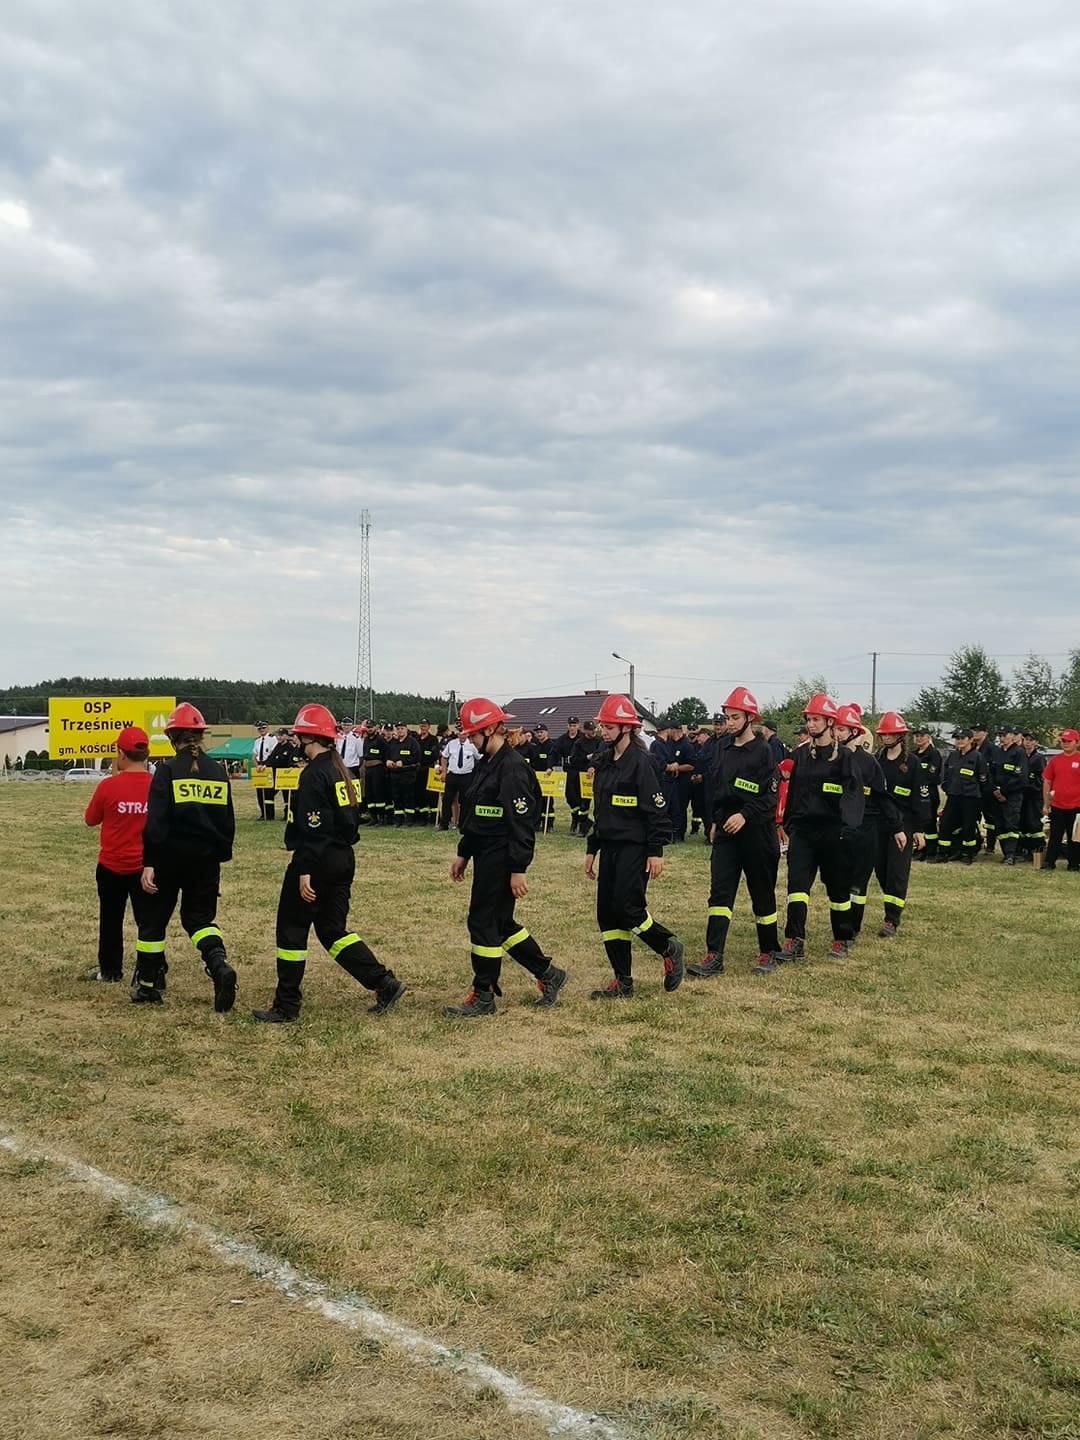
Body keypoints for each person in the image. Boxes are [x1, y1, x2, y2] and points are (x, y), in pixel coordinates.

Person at [252, 704, 405, 1023]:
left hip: (316, 862)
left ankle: (286, 1005)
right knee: (333, 931)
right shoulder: (341, 771)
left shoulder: (314, 775)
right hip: (342, 859)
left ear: (310, 738)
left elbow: (313, 828)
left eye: (299, 737)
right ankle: (383, 982)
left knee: (291, 931)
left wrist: (305, 869)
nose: (296, 743)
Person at [444, 698, 565, 1017]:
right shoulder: (487, 763)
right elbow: (476, 814)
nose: (470, 741)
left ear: (489, 730)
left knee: (483, 922)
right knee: (500, 923)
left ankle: (484, 995)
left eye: (473, 735)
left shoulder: (512, 768)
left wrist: (518, 868)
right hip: (485, 854)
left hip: (502, 857)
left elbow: (522, 824)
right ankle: (549, 974)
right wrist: (464, 853)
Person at [134, 703, 236, 1010]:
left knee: (153, 922)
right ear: (200, 737)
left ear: (172, 737)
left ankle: (148, 986)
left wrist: (149, 861)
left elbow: (156, 821)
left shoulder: (166, 771)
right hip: (206, 861)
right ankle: (219, 965)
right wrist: (219, 857)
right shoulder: (218, 772)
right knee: (200, 920)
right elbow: (227, 821)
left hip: (169, 859)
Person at [584, 694, 685, 998]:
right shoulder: (604, 763)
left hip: (635, 848)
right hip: (609, 846)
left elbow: (657, 811)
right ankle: (623, 981)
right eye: (603, 726)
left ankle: (668, 947)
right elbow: (601, 810)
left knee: (628, 908)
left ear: (626, 728)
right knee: (608, 914)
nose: (604, 732)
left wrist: (656, 851)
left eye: (609, 727)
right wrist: (592, 848)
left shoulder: (643, 763)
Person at [687, 687, 781, 979]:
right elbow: (718, 789)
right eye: (727, 717)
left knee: (761, 893)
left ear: (750, 718)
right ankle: (714, 955)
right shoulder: (722, 748)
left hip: (757, 833)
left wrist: (745, 815)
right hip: (727, 833)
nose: (729, 723)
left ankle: (768, 951)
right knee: (720, 893)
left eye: (735, 717)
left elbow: (770, 797)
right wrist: (717, 820)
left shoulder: (764, 751)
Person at [779, 694, 861, 961]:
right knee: (797, 887)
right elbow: (792, 791)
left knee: (838, 889)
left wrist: (848, 828)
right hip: (803, 832)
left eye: (816, 719)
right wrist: (788, 823)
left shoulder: (844, 757)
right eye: (809, 719)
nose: (811, 724)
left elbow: (853, 794)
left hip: (834, 833)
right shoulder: (801, 755)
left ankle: (842, 938)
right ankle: (794, 940)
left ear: (830, 722)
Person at [82, 726, 152, 982]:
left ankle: (110, 970)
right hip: (146, 867)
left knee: (110, 919)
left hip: (111, 866)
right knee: (149, 922)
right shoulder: (157, 786)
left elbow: (90, 819)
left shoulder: (108, 786)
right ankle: (152, 970)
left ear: (121, 754)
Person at [833, 703, 901, 943]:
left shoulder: (868, 763)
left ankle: (853, 927)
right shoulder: (832, 759)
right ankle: (842, 925)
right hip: (839, 828)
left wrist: (897, 828)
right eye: (835, 729)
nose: (836, 734)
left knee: (858, 882)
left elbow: (883, 797)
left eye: (841, 729)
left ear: (854, 732)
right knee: (840, 879)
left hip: (866, 828)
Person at [868, 712, 927, 937]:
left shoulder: (912, 763)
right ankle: (892, 901)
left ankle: (891, 919)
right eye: (883, 734)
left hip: (905, 824)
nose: (886, 737)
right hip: (879, 822)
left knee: (897, 871)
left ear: (900, 735)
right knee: (881, 869)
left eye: (891, 733)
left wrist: (919, 829)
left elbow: (921, 798)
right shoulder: (877, 760)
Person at [933, 730, 988, 864]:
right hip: (953, 795)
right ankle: (943, 852)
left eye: (962, 738)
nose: (959, 741)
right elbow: (946, 774)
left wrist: (978, 795)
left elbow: (983, 779)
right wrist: (946, 786)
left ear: (970, 740)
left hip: (970, 797)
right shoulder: (953, 756)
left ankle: (968, 853)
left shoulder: (977, 757)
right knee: (946, 823)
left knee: (968, 825)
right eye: (957, 738)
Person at [1041, 729, 1080, 871]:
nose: (1066, 743)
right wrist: (1046, 804)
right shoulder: (1055, 760)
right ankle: (1049, 862)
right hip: (1057, 805)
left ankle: (1074, 864)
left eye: (1069, 741)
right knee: (1055, 835)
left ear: (1077, 743)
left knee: (1074, 837)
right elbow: (1047, 782)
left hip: (1076, 805)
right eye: (1063, 741)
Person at [992, 724, 1028, 865]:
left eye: (1005, 735)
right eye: (1000, 735)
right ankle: (1005, 852)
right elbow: (991, 773)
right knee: (999, 824)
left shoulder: (1019, 752)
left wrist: (1003, 791)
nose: (1002, 738)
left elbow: (1020, 777)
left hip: (1012, 794)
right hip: (996, 794)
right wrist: (995, 790)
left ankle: (1012, 854)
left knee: (1011, 824)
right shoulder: (997, 752)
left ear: (1012, 736)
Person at [553, 716, 590, 835]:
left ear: (578, 726)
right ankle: (577, 818)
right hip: (569, 772)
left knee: (582, 799)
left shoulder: (583, 739)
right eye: (570, 725)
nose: (572, 728)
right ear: (567, 726)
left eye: (574, 725)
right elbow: (554, 753)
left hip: (582, 772)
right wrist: (550, 765)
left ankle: (581, 823)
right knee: (570, 797)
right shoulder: (562, 740)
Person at [911, 725, 943, 861]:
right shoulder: (913, 754)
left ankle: (931, 850)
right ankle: (920, 848)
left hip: (928, 792)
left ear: (928, 738)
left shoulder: (933, 754)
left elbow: (932, 774)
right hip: (916, 793)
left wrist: (919, 779)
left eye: (922, 736)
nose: (919, 738)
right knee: (918, 822)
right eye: (917, 736)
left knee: (929, 822)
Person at [438, 727, 479, 831]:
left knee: (465, 801)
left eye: (464, 733)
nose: (462, 735)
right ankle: (444, 824)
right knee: (447, 799)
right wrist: (444, 771)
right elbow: (444, 757)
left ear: (467, 734)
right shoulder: (451, 744)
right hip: (453, 775)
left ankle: (463, 824)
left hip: (466, 776)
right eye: (460, 733)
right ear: (457, 734)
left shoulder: (472, 745)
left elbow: (479, 757)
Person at [971, 722, 1001, 854]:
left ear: (985, 733)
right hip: (973, 789)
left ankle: (990, 845)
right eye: (974, 731)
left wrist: (993, 787)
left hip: (987, 789)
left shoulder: (992, 749)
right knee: (972, 817)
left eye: (979, 731)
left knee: (990, 819)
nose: (976, 733)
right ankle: (976, 842)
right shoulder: (971, 747)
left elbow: (994, 770)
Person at [386, 721, 421, 826]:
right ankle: (398, 818)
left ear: (406, 729)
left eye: (402, 728)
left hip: (408, 773)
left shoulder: (412, 742)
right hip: (395, 774)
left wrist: (404, 762)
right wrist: (388, 761)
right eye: (398, 729)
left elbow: (417, 757)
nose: (400, 730)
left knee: (408, 796)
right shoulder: (393, 743)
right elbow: (387, 754)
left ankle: (409, 819)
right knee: (396, 797)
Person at [1019, 732, 1046, 862]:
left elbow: (1041, 779)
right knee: (1023, 823)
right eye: (1026, 739)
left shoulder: (1039, 758)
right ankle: (1026, 849)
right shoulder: (1020, 756)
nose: (1028, 742)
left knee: (1034, 823)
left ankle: (1038, 848)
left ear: (1036, 742)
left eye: (1031, 740)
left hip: (1034, 796)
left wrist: (1031, 788)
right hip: (1021, 796)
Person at [528, 722, 557, 832]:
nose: (539, 734)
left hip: (548, 776)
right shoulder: (535, 746)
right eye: (538, 733)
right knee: (537, 800)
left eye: (541, 732)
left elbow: (553, 758)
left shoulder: (551, 745)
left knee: (548, 801)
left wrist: (549, 767)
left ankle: (549, 824)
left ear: (546, 732)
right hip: (537, 777)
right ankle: (537, 823)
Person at [414, 720, 441, 825]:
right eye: (421, 726)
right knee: (419, 794)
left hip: (429, 769)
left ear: (429, 727)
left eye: (425, 726)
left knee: (432, 795)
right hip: (418, 770)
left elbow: (434, 754)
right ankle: (422, 817)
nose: (423, 728)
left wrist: (425, 755)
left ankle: (434, 817)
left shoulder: (433, 739)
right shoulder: (416, 739)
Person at [363, 721, 389, 825]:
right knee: (369, 793)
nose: (369, 729)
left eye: (371, 727)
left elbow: (386, 753)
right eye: (368, 727)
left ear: (376, 728)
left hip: (377, 768)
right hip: (368, 768)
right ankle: (373, 817)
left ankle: (381, 817)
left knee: (378, 792)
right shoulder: (366, 740)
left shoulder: (380, 739)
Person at [251, 721, 278, 820]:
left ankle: (270, 814)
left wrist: (265, 765)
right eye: (259, 729)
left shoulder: (272, 739)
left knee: (268, 792)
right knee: (259, 792)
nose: (261, 730)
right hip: (259, 766)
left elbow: (273, 755)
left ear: (267, 728)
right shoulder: (257, 741)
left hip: (269, 766)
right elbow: (254, 756)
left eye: (263, 728)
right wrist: (257, 766)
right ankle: (263, 813)